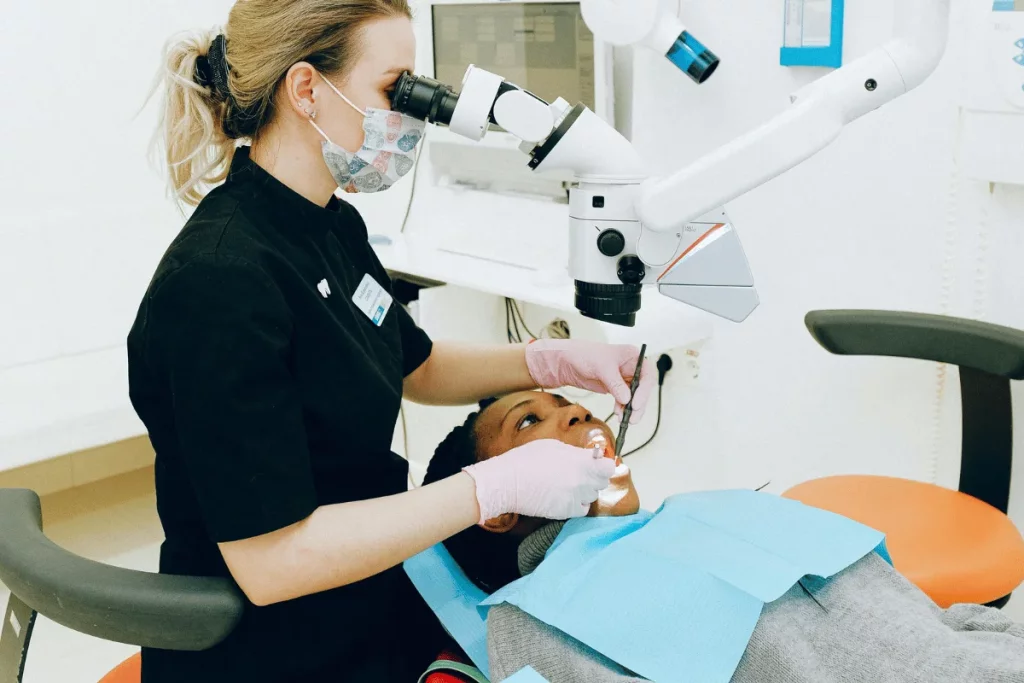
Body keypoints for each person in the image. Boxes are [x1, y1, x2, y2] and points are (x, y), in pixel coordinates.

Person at [128, 2, 654, 681]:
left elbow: (418, 364)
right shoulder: (219, 284)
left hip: (365, 591)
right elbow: (272, 563)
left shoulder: (329, 225)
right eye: (395, 88)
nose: (410, 115)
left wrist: (549, 358)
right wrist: (490, 486)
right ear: (307, 89)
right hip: (272, 644)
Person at [422, 392, 1024, 683]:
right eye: (529, 421)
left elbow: (930, 627)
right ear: (494, 507)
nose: (577, 414)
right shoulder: (532, 620)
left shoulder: (707, 514)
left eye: (569, 403)